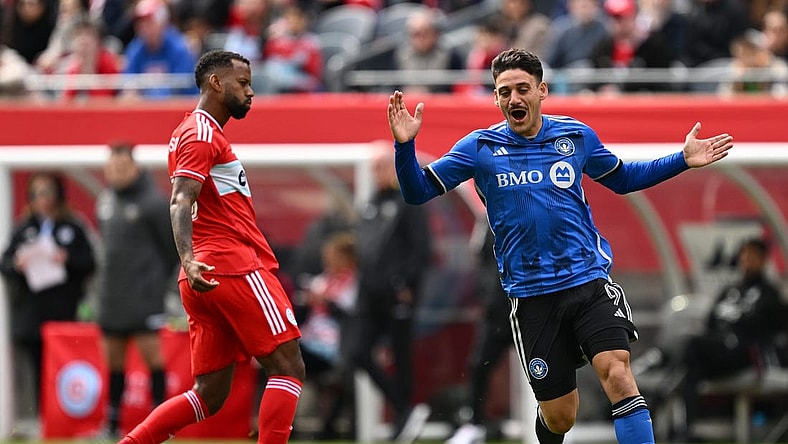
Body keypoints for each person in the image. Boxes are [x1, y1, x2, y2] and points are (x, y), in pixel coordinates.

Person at [386, 48, 734, 444]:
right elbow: (416, 192)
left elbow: (623, 178)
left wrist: (681, 159)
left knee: (618, 373)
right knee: (560, 416)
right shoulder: (479, 148)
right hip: (533, 297)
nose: (514, 99)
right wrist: (404, 147)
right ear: (496, 98)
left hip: (588, 282)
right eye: (504, 92)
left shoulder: (575, 136)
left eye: (522, 89)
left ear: (542, 91)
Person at [116, 49, 304, 444]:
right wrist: (187, 258)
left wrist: (191, 263)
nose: (250, 92)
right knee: (288, 367)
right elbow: (180, 200)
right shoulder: (201, 133)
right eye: (243, 83)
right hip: (231, 264)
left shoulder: (196, 132)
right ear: (216, 83)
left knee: (209, 394)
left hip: (204, 274)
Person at [644, 238, 785, 442]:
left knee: (693, 346)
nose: (747, 260)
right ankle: (685, 432)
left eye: (752, 256)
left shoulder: (770, 294)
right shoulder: (732, 290)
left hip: (746, 355)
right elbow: (710, 321)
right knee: (693, 369)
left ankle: (660, 394)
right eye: (744, 255)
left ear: (763, 260)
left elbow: (773, 331)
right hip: (716, 353)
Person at [95, 142, 180, 437]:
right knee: (114, 363)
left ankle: (161, 428)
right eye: (112, 167)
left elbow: (171, 249)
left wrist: (155, 282)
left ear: (135, 167)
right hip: (111, 297)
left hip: (144, 297)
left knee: (153, 359)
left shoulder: (153, 203)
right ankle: (111, 427)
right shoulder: (105, 200)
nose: (116, 172)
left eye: (122, 166)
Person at [0, 172, 96, 429]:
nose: (42, 199)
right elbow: (5, 263)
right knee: (36, 369)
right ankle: (40, 420)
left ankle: (64, 421)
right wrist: (17, 264)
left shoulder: (72, 227)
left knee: (63, 371)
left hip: (64, 314)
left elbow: (90, 263)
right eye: (36, 193)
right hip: (32, 316)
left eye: (47, 192)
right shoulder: (24, 228)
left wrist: (67, 258)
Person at [350, 144, 433, 443]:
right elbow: (364, 249)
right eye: (374, 168)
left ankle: (404, 414)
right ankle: (404, 409)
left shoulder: (409, 200)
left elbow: (421, 248)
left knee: (401, 355)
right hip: (370, 295)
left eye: (381, 167)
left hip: (398, 294)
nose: (377, 173)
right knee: (358, 352)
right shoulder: (370, 204)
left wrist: (407, 285)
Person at [446, 227, 513, 444]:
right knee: (479, 366)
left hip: (526, 308)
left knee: (542, 369)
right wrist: (485, 295)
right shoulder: (487, 223)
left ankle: (555, 426)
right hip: (496, 312)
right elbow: (482, 261)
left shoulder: (525, 211)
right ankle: (475, 424)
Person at [121, 0, 198, 99]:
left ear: (162, 23)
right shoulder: (135, 49)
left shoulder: (180, 49)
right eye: (140, 24)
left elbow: (181, 88)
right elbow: (128, 83)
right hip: (146, 106)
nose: (143, 28)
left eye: (149, 23)